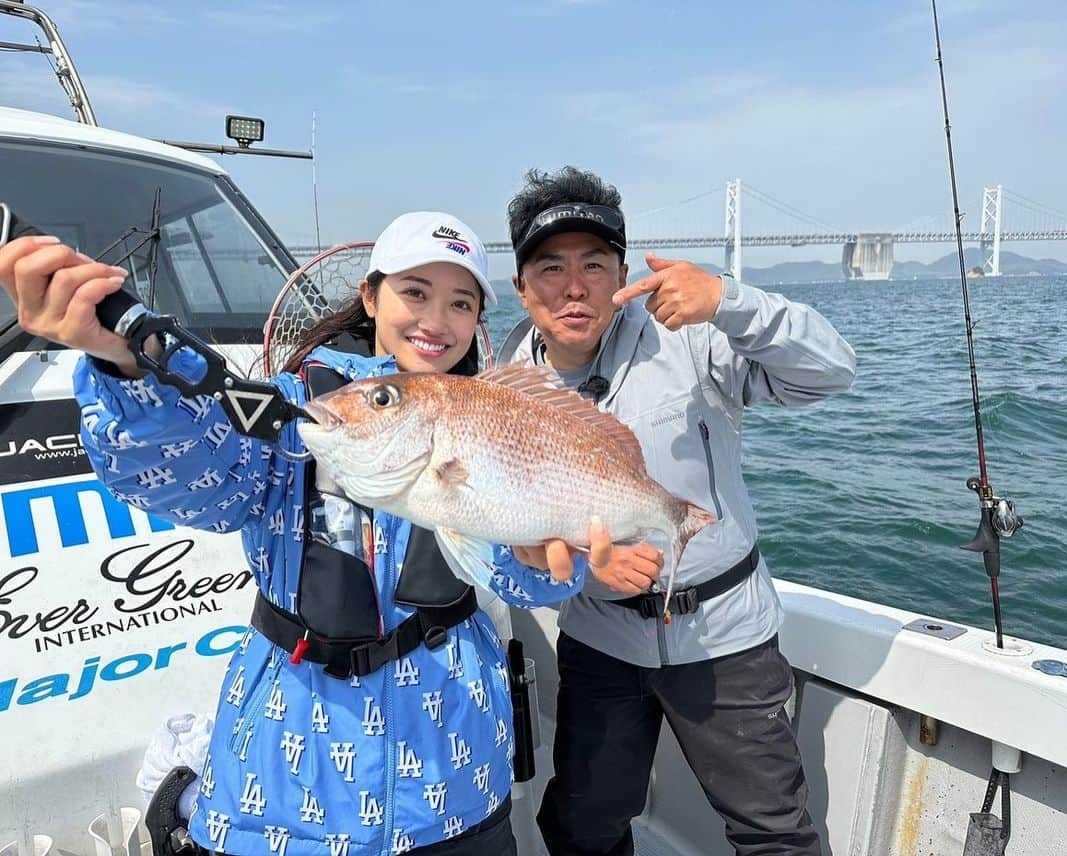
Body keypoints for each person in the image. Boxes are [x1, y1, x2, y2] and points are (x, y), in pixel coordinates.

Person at [0, 211, 611, 856]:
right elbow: (188, 475)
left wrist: (542, 562)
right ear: (371, 296)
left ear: (477, 320)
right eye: (414, 292)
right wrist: (124, 361)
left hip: (456, 767)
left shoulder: (490, 424)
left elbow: (519, 582)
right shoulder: (297, 413)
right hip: (295, 783)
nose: (436, 320)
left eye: (460, 302)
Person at [499, 167, 857, 856]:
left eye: (594, 264)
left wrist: (727, 300)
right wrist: (565, 557)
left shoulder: (691, 337)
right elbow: (515, 522)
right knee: (581, 830)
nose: (574, 286)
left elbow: (831, 370)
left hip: (725, 639)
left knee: (775, 835)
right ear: (520, 286)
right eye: (550, 267)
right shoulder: (505, 385)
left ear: (623, 272)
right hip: (600, 639)